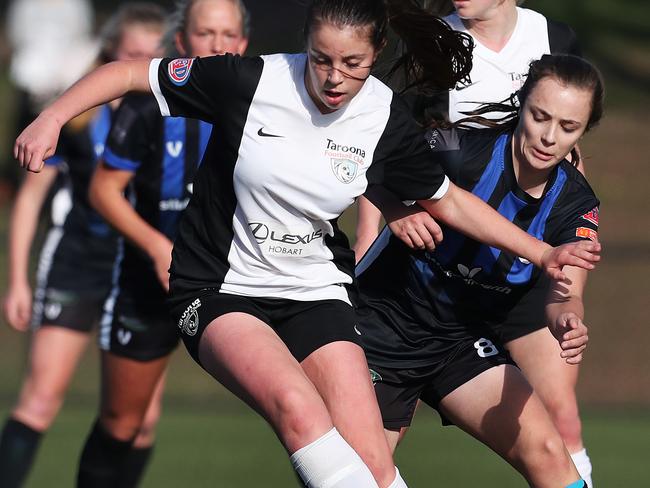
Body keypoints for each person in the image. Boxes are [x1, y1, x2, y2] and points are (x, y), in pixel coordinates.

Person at [14, 1, 600, 486]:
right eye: (321, 59)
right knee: (298, 408)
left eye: (352, 63)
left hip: (317, 290)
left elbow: (446, 199)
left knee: (372, 462)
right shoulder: (249, 79)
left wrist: (542, 253)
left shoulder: (381, 114)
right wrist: (51, 119)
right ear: (305, 47)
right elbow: (128, 73)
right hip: (221, 287)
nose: (334, 77)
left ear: (375, 59)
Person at [355, 3, 593, 485]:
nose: (548, 137)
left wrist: (568, 318)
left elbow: (566, 291)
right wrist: (395, 209)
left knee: (550, 443)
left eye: (568, 127)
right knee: (364, 471)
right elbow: (368, 156)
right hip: (390, 318)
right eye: (540, 117)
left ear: (584, 132)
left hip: (462, 329)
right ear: (520, 106)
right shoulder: (455, 148)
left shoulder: (577, 203)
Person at [74, 1, 249, 486]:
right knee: (125, 423)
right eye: (205, 33)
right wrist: (155, 246)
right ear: (181, 42)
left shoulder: (267, 102)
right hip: (147, 282)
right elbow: (102, 191)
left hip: (231, 286)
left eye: (228, 34)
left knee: (297, 415)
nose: (218, 45)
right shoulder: (148, 101)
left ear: (244, 43)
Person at [0, 5, 166, 488]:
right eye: (132, 53)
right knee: (40, 399)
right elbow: (30, 201)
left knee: (141, 420)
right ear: (112, 54)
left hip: (136, 273)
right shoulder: (77, 120)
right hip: (77, 266)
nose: (140, 63)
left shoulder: (172, 120)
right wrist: (17, 280)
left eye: (150, 55)